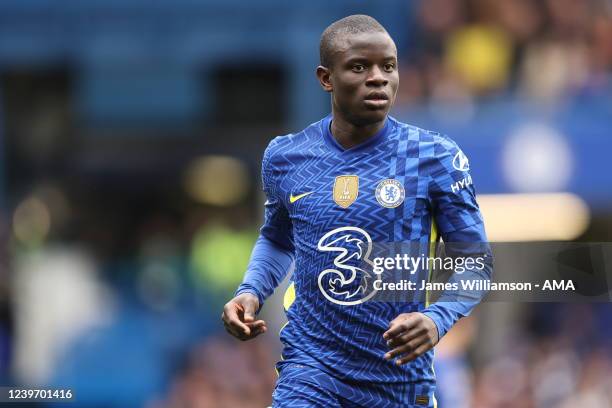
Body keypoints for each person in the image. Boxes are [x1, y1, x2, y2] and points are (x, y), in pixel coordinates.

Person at [222, 14, 491, 408]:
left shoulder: (434, 157)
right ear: (325, 78)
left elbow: (475, 261)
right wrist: (251, 290)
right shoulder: (286, 157)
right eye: (359, 67)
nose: (378, 77)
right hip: (311, 371)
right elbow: (278, 239)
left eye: (389, 66)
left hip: (398, 378)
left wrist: (438, 318)